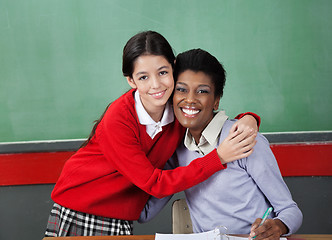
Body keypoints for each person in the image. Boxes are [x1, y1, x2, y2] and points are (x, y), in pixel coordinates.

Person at [44, 31, 260, 237]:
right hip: (84, 207)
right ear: (131, 81)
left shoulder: (178, 109)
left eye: (163, 72)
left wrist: (248, 118)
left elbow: (207, 115)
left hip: (120, 214)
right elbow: (155, 184)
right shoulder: (118, 118)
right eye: (144, 77)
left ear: (173, 68)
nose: (156, 85)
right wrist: (218, 158)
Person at [139, 49, 303, 239]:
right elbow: (145, 213)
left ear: (216, 100)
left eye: (202, 91)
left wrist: (278, 226)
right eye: (181, 89)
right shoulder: (177, 149)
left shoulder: (243, 139)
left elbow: (290, 210)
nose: (190, 99)